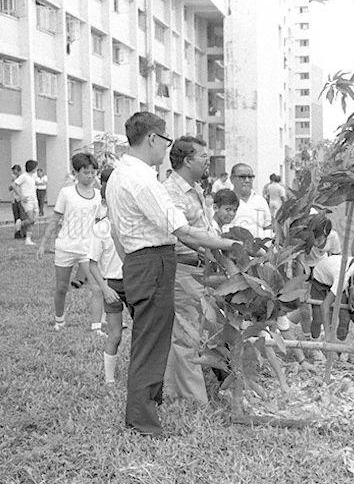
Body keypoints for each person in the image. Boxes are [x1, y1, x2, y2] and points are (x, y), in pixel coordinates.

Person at [106, 112, 239, 437]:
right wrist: (230, 243)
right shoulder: (140, 179)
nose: (167, 148)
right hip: (153, 262)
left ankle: (150, 405)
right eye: (165, 141)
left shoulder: (120, 175)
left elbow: (118, 234)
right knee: (151, 343)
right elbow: (184, 232)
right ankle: (141, 421)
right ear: (152, 138)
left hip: (142, 262)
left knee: (152, 339)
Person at [163, 135, 234, 405]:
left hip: (203, 269)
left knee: (207, 328)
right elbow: (186, 235)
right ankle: (194, 399)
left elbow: (204, 231)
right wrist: (228, 244)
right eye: (202, 156)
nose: (207, 160)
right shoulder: (171, 192)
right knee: (186, 335)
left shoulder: (197, 190)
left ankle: (178, 391)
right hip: (184, 269)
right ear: (186, 160)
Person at [37, 153, 104, 333]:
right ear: (76, 173)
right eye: (86, 172)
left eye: (93, 172)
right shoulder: (66, 193)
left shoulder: (98, 195)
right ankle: (59, 320)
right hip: (65, 246)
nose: (90, 176)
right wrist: (44, 243)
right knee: (61, 287)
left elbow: (99, 221)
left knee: (97, 287)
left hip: (87, 249)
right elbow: (55, 219)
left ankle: (96, 326)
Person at [88, 167, 131, 384]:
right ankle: (109, 379)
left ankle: (140, 374)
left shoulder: (130, 225)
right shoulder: (101, 229)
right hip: (112, 286)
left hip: (134, 283)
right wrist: (105, 289)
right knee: (115, 334)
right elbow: (93, 264)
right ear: (104, 202)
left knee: (143, 333)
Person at [310, 255, 354, 359]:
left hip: (337, 279)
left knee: (345, 318)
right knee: (318, 318)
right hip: (320, 280)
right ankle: (315, 346)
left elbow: (351, 279)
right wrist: (328, 334)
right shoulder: (342, 279)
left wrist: (351, 292)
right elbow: (324, 306)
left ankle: (340, 347)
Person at [229, 163, 272, 238]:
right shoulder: (226, 200)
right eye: (242, 177)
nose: (247, 180)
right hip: (233, 247)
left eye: (250, 177)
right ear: (232, 179)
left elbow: (268, 226)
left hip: (259, 247)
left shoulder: (261, 201)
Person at [12, 160, 39, 246]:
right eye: (36, 167)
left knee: (34, 220)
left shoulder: (33, 177)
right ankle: (20, 224)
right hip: (27, 200)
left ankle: (28, 239)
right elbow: (14, 185)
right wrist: (21, 196)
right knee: (30, 219)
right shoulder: (24, 176)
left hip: (34, 199)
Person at [9, 165, 25, 239]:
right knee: (16, 217)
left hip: (21, 199)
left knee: (22, 217)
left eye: (14, 171)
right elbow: (10, 188)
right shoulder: (14, 179)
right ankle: (17, 232)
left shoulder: (23, 178)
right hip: (14, 199)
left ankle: (23, 232)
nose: (13, 173)